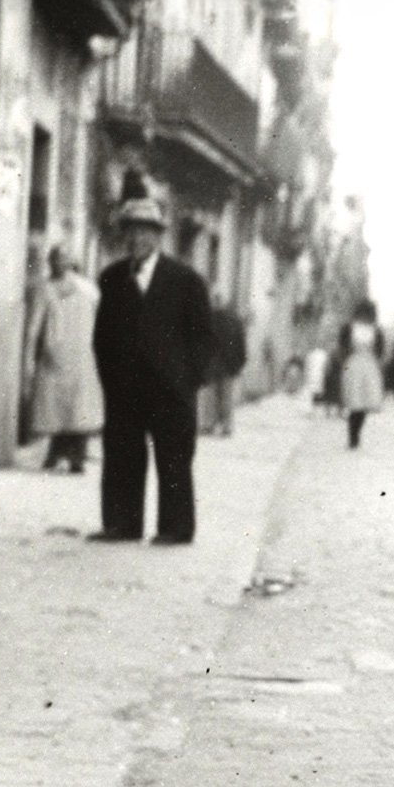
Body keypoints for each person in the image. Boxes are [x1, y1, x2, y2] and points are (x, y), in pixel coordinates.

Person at [90, 197, 214, 546]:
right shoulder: (112, 278)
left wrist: (187, 381)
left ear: (159, 237)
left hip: (171, 391)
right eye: (131, 231)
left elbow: (204, 339)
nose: (137, 239)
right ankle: (122, 524)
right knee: (122, 455)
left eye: (145, 232)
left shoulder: (186, 281)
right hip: (125, 390)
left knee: (174, 459)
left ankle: (175, 528)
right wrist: (111, 382)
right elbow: (102, 338)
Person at [23, 243, 103, 473]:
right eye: (55, 259)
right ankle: (59, 453)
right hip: (60, 355)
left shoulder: (85, 290)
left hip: (78, 355)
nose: (59, 264)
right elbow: (34, 326)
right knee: (60, 407)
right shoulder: (48, 289)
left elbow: (102, 321)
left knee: (74, 407)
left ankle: (73, 456)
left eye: (62, 259)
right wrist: (29, 357)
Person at [339, 301, 386, 448]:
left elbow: (380, 349)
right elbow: (342, 346)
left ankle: (356, 433)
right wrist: (344, 361)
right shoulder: (349, 328)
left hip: (369, 365)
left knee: (365, 401)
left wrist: (377, 361)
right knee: (355, 400)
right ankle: (353, 435)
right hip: (353, 365)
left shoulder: (376, 330)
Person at [207, 301, 248, 438]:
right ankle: (226, 426)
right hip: (229, 366)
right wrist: (239, 364)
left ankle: (210, 424)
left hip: (212, 365)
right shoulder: (236, 323)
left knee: (212, 396)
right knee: (226, 397)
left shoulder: (210, 320)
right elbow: (241, 346)